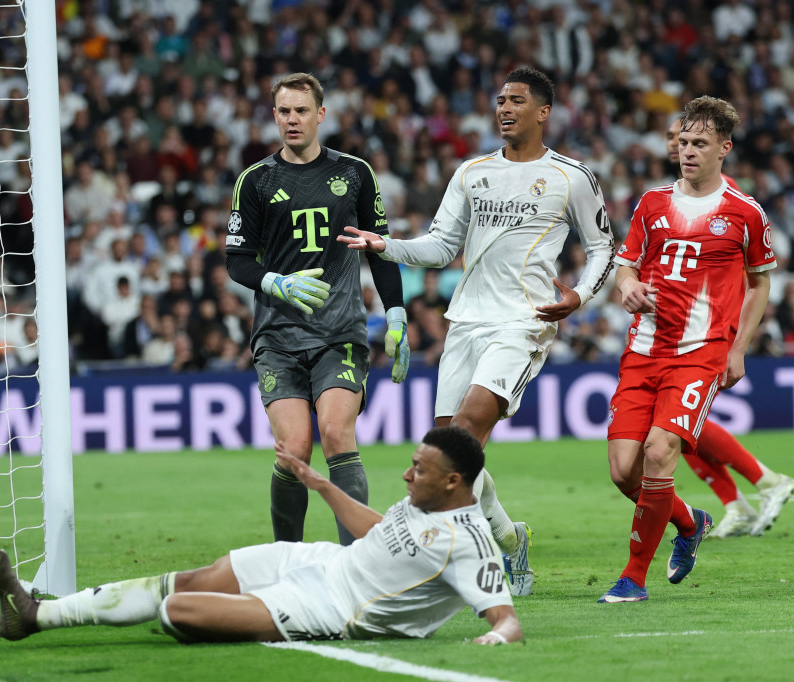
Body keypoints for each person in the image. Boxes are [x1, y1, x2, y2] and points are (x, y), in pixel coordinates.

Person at [339, 67, 615, 596]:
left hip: (523, 321)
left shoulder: (571, 176)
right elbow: (442, 246)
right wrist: (385, 245)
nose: (504, 108)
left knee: (460, 435)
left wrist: (579, 295)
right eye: (499, 100)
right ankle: (511, 542)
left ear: (543, 112)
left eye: (516, 100)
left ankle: (450, 559)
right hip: (466, 320)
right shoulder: (472, 172)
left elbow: (604, 246)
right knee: (452, 450)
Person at [0, 426, 521, 645]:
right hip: (320, 561)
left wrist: (494, 638)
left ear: (453, 481)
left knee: (175, 611)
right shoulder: (424, 497)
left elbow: (507, 620)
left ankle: (253, 611)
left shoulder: (471, 543)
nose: (407, 476)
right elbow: (382, 532)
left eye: (419, 470)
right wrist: (319, 484)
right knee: (194, 578)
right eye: (411, 465)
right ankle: (37, 615)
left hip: (332, 609)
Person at [599, 96, 776, 603]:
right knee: (623, 471)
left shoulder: (744, 213)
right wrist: (627, 286)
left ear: (725, 148)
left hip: (700, 352)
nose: (687, 151)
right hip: (643, 349)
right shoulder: (652, 202)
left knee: (660, 453)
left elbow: (760, 282)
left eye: (699, 143)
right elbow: (626, 263)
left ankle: (633, 578)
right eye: (682, 142)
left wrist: (737, 349)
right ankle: (689, 521)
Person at [224, 73, 409, 546]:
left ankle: (356, 565)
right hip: (278, 337)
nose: (292, 119)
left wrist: (396, 315)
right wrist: (276, 282)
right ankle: (288, 562)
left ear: (320, 114)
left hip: (339, 332)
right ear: (274, 115)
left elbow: (378, 248)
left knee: (335, 434)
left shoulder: (354, 173)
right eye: (284, 111)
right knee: (293, 451)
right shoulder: (256, 180)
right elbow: (237, 259)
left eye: (301, 110)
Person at [662, 115, 794, 538]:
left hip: (712, 325)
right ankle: (736, 502)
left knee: (676, 423)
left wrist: (735, 338)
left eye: (687, 139)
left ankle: (766, 481)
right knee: (676, 428)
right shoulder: (672, 199)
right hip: (674, 329)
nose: (677, 146)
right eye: (675, 139)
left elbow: (751, 274)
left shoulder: (730, 198)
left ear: (719, 146)